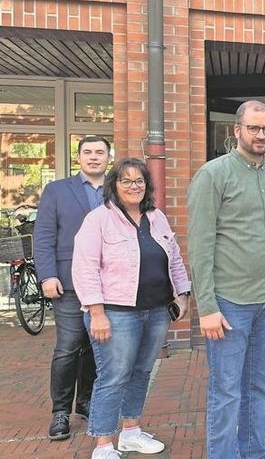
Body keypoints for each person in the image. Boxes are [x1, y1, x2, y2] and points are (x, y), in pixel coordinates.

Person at [187, 100, 265, 458]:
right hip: (230, 303)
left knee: (261, 387)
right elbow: (200, 244)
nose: (260, 135)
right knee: (227, 390)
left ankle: (254, 453)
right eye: (254, 128)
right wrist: (206, 306)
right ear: (237, 131)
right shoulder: (213, 175)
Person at [71, 158, 192, 459]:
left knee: (141, 372)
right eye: (126, 180)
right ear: (114, 185)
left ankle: (131, 432)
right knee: (114, 375)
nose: (133, 186)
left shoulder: (157, 217)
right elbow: (85, 269)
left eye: (139, 181)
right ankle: (102, 445)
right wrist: (96, 313)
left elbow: (174, 259)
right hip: (115, 313)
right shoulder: (98, 220)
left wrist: (183, 296)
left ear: (147, 186)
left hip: (156, 310)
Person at [34, 135, 110, 440]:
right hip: (67, 283)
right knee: (68, 348)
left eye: (100, 152)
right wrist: (47, 275)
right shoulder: (56, 190)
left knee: (96, 345)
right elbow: (43, 236)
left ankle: (86, 401)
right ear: (78, 157)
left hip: (106, 284)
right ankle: (60, 413)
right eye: (88, 152)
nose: (94, 157)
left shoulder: (116, 190)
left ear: (108, 157)